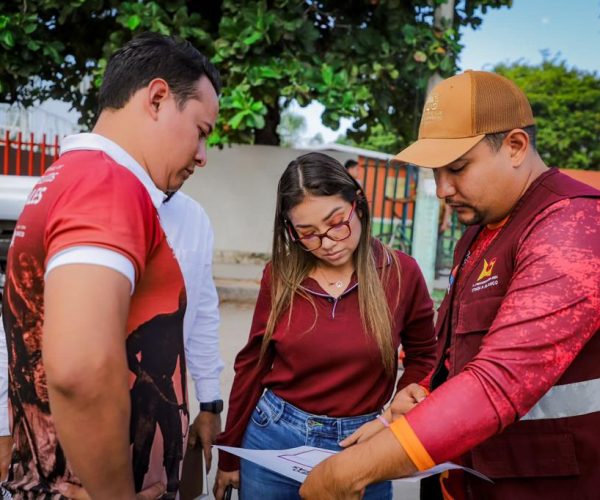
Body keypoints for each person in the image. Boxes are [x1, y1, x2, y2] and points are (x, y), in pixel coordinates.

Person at [299, 70, 600, 499]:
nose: (442, 189)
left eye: (457, 168)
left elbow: (499, 380)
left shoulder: (572, 226)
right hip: (462, 476)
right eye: (436, 171)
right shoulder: (480, 232)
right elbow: (455, 359)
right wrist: (411, 407)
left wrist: (350, 470)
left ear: (515, 146)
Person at [1, 32, 220, 498]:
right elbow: (81, 370)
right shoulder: (108, 184)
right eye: (201, 132)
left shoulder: (68, 177)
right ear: (158, 98)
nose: (202, 156)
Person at [213, 152, 437, 499]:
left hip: (364, 444)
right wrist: (229, 453)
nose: (327, 243)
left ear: (357, 204)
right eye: (308, 234)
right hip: (273, 438)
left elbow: (425, 355)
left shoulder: (401, 273)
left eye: (336, 223)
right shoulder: (281, 274)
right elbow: (252, 365)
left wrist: (392, 417)